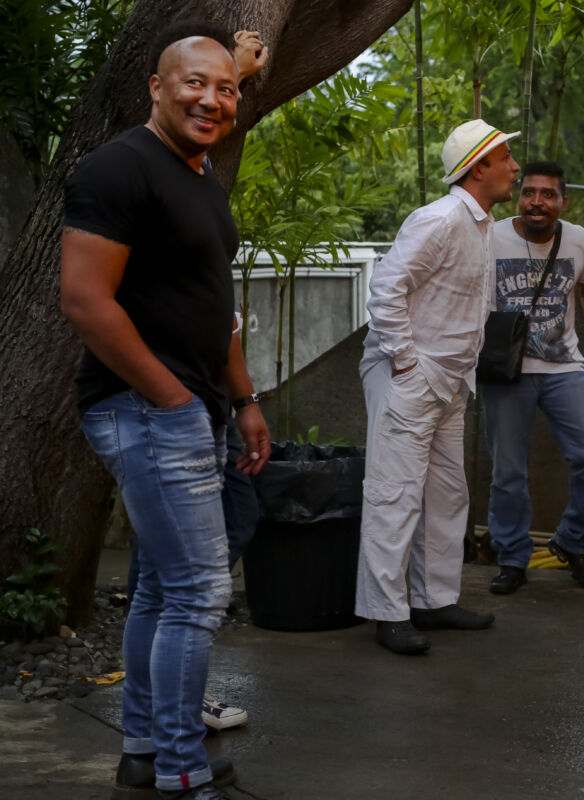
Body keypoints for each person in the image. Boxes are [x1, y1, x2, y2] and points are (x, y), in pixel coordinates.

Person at [60, 23, 270, 800]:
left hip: (194, 407)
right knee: (198, 592)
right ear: (154, 87)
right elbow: (85, 300)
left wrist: (242, 400)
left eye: (227, 90)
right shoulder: (118, 169)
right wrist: (172, 396)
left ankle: (146, 748)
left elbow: (215, 304)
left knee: (160, 589)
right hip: (149, 410)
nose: (213, 100)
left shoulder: (199, 176)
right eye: (194, 84)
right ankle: (184, 772)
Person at [358, 119, 520, 655]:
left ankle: (433, 601)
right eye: (505, 157)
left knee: (447, 494)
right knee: (395, 494)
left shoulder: (479, 224)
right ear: (478, 168)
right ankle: (387, 613)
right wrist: (407, 363)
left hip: (449, 380)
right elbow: (386, 288)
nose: (514, 167)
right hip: (414, 375)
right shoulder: (441, 218)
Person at [482, 161, 584, 595]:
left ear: (563, 202)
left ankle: (573, 540)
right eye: (529, 192)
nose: (536, 202)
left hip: (563, 367)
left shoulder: (578, 240)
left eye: (547, 194)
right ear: (519, 197)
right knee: (507, 471)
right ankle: (511, 558)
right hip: (505, 370)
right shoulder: (490, 237)